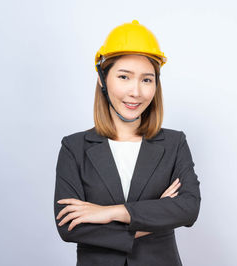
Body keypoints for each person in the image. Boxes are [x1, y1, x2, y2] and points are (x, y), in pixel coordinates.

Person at [53, 20, 201, 266]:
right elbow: (69, 227)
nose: (136, 92)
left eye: (146, 80)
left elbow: (188, 208)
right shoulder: (74, 148)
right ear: (103, 79)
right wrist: (157, 214)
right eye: (124, 76)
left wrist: (109, 212)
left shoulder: (175, 143)